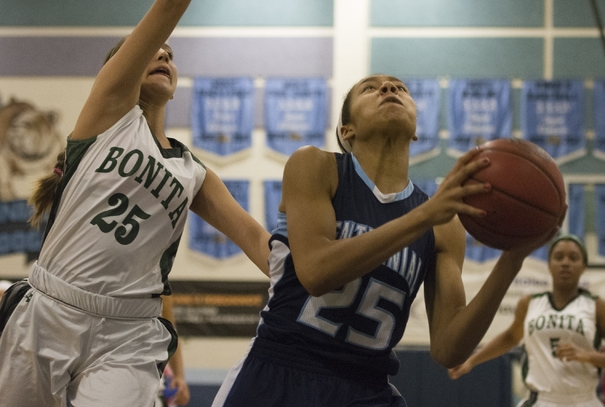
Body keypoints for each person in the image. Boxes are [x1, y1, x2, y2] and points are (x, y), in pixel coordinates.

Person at [0, 0, 271, 406]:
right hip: (51, 307)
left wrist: (312, 278)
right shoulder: (108, 117)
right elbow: (170, 1)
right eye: (154, 50)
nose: (163, 54)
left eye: (171, 55)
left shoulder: (193, 173)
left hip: (129, 334)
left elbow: (258, 241)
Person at [212, 74, 557, 407]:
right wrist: (423, 217)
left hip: (366, 387)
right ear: (348, 131)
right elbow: (317, 272)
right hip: (279, 374)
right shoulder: (315, 166)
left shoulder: (444, 224)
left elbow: (449, 349)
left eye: (400, 87)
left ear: (416, 132)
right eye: (370, 88)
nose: (389, 87)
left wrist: (512, 261)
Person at [448, 234, 605, 407]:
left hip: (584, 400)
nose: (565, 263)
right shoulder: (530, 303)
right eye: (559, 257)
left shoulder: (597, 306)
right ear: (549, 264)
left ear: (584, 266)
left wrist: (586, 355)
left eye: (573, 258)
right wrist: (472, 361)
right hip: (541, 400)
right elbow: (511, 337)